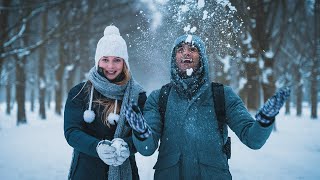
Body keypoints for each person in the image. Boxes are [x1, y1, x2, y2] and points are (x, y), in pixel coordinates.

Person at [124, 34, 291, 179]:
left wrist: (264, 120)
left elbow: (253, 140)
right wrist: (141, 131)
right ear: (174, 58)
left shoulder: (222, 95)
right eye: (180, 49)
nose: (186, 53)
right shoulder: (159, 97)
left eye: (192, 49)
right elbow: (147, 149)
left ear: (202, 57)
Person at [64, 25, 146, 180]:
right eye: (105, 60)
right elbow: (72, 132)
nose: (110, 66)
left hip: (125, 171)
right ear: (97, 61)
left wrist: (127, 146)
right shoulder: (80, 93)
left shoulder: (135, 96)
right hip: (85, 172)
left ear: (124, 63)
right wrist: (97, 147)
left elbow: (141, 133)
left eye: (117, 60)